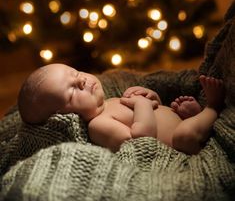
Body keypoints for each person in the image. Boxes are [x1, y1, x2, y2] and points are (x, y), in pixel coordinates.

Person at [18, 63, 224, 155]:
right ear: (64, 117)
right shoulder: (98, 126)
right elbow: (142, 141)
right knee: (184, 135)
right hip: (183, 145)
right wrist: (142, 104)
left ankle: (194, 116)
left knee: (180, 116)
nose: (81, 80)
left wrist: (150, 96)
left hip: (183, 122)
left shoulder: (111, 100)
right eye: (71, 92)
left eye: (76, 72)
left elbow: (155, 110)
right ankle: (213, 107)